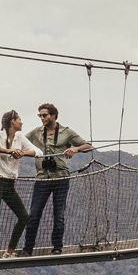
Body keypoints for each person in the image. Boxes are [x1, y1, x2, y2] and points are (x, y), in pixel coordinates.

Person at [21, 102, 92, 255]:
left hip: (61, 177)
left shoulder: (66, 132)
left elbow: (88, 145)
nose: (42, 118)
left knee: (58, 214)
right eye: (40, 115)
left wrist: (75, 148)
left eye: (44, 115)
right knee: (34, 215)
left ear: (53, 115)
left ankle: (57, 247)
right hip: (42, 178)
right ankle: (27, 249)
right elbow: (20, 142)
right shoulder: (36, 132)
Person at [0, 110, 41, 258]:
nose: (21, 122)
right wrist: (8, 151)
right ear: (12, 121)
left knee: (24, 217)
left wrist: (21, 153)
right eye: (19, 119)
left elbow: (38, 152)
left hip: (9, 184)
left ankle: (9, 252)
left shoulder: (19, 137)